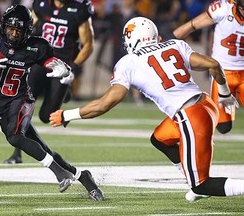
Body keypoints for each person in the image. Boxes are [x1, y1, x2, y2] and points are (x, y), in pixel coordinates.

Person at [49, 17, 244, 202]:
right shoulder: (175, 45)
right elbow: (214, 64)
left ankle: (197, 183)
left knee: (202, 185)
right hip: (207, 105)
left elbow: (106, 103)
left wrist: (68, 115)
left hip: (190, 115)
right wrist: (225, 94)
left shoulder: (129, 62)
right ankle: (190, 174)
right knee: (160, 139)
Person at [0, 4, 103, 201]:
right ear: (3, 26)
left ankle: (59, 174)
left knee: (15, 137)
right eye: (11, 29)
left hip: (21, 98)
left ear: (28, 30)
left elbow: (51, 61)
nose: (14, 34)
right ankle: (83, 177)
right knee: (43, 149)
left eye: (19, 30)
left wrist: (62, 69)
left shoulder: (36, 45)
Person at [4, 0, 95, 164]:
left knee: (46, 116)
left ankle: (64, 93)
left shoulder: (79, 9)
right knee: (22, 105)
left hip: (61, 66)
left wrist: (71, 69)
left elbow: (88, 44)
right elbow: (27, 27)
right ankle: (17, 152)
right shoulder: (41, 4)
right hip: (39, 61)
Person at [173, 0, 244, 134]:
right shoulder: (223, 9)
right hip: (223, 73)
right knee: (223, 127)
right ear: (237, 5)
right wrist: (172, 38)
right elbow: (193, 25)